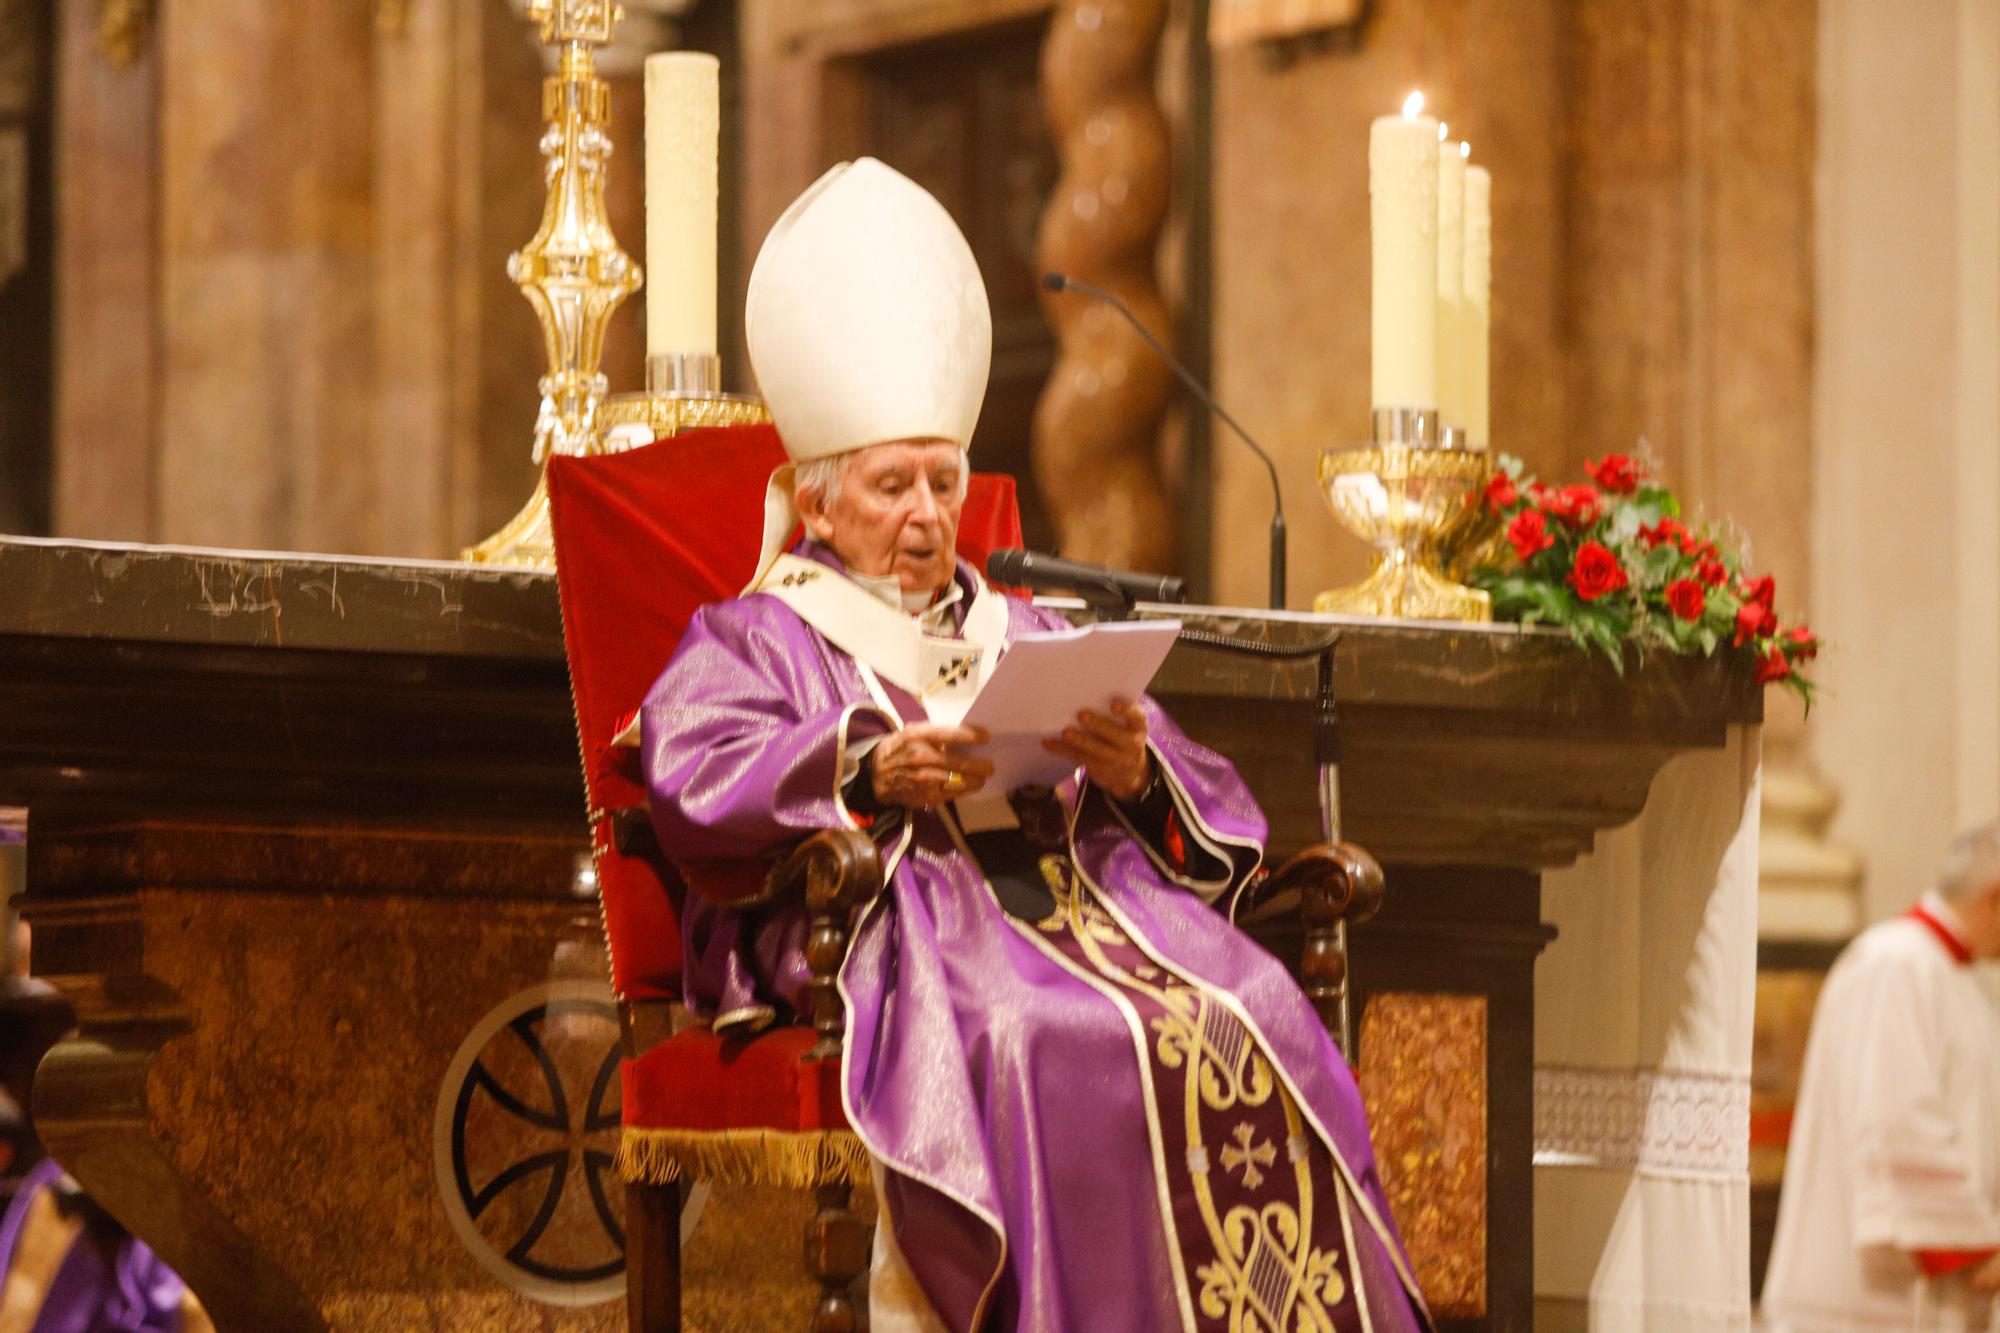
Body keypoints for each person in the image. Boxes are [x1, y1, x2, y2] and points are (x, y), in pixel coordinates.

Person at [640, 157, 1430, 1333]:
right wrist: (862, 768)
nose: (923, 514)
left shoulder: (1027, 621)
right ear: (816, 504)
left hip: (1087, 910)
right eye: (889, 484)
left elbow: (1199, 802)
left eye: (941, 482)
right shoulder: (759, 630)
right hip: (913, 934)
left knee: (1256, 1005)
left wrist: (1128, 769)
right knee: (1027, 1036)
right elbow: (690, 771)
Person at [1762, 823, 2000, 1331]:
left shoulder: (1962, 980)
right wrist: (1977, 1247)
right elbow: (1896, 1122)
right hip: (1868, 1302)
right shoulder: (1896, 964)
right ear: (1996, 896)